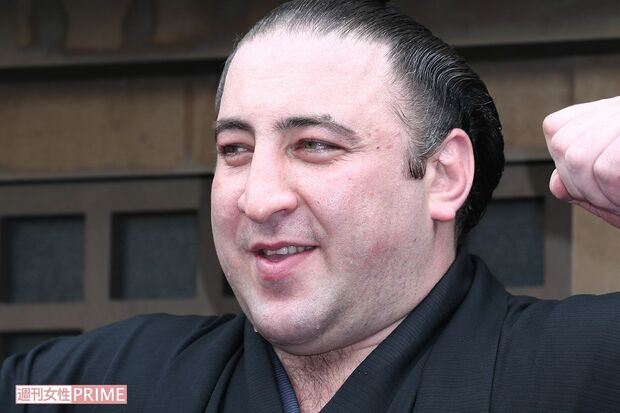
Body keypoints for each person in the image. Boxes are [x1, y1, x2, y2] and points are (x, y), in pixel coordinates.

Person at [2, 1, 620, 412]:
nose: (258, 198)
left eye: (315, 145)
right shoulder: (124, 382)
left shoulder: (580, 369)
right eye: (235, 148)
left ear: (443, 175)